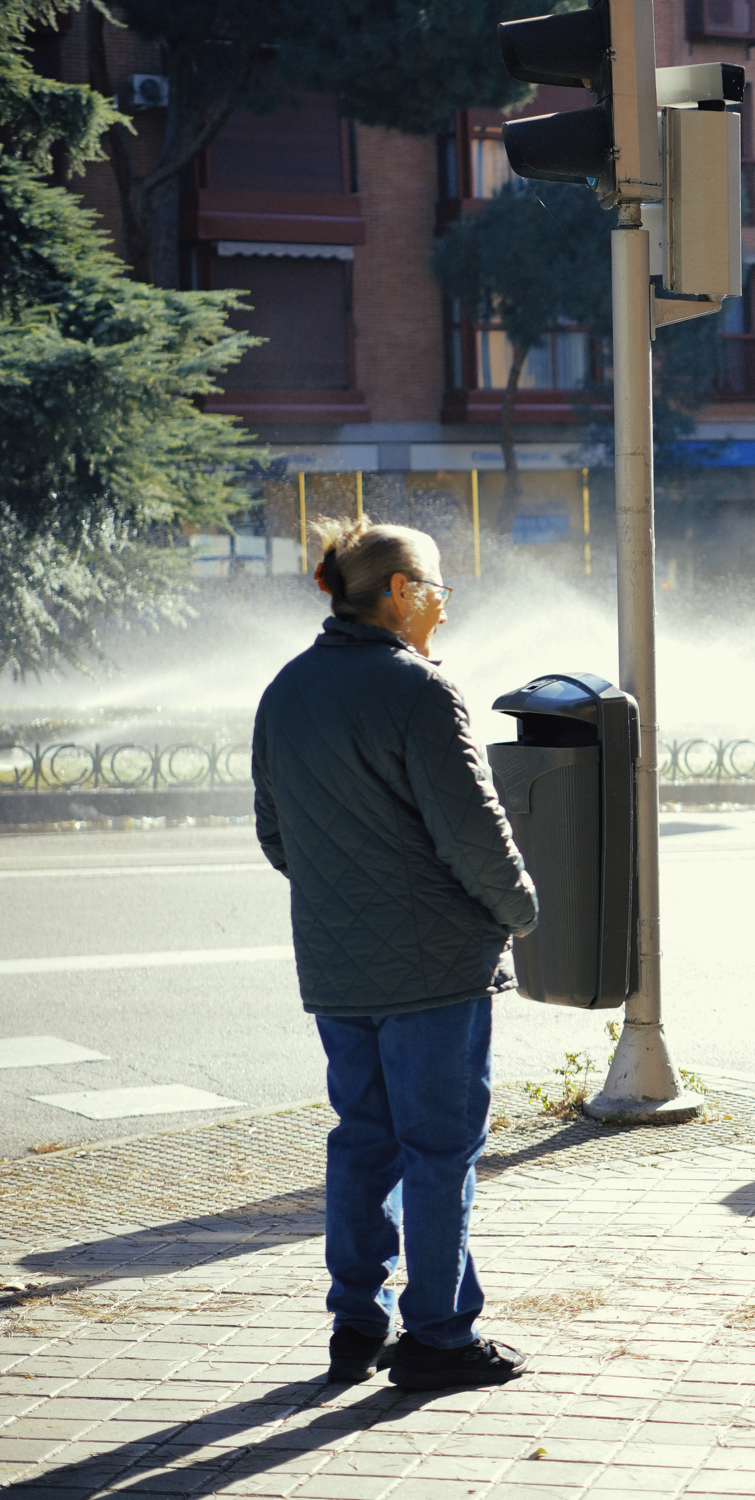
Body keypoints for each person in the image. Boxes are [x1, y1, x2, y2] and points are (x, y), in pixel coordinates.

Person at [252, 516, 539, 1388]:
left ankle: (356, 1323)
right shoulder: (420, 691)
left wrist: (348, 892)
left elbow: (277, 836)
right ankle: (440, 1337)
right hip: (435, 967)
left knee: (363, 1142)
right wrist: (520, 909)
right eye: (439, 589)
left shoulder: (286, 689)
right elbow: (472, 831)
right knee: (439, 1150)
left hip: (336, 966)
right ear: (403, 593)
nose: (445, 607)